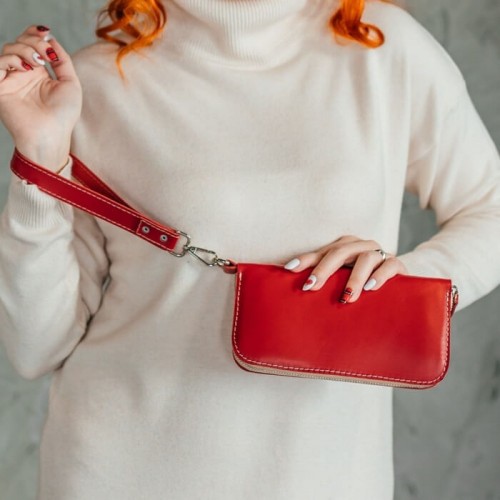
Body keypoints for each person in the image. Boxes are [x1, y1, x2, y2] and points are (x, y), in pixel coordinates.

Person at [0, 0, 499, 498]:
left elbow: (489, 211)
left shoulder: (381, 47)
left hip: (327, 477)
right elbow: (36, 348)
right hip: (119, 472)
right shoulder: (92, 85)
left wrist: (398, 283)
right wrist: (40, 157)